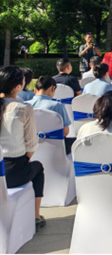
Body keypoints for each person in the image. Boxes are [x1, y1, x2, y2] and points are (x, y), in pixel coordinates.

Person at [0, 66, 46, 229]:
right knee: (38, 169)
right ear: (18, 87)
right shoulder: (23, 109)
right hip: (13, 171)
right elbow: (31, 145)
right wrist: (25, 159)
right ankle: (35, 216)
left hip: (6, 168)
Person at [26, 76, 75, 155]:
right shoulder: (57, 106)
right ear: (53, 88)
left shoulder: (25, 105)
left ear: (35, 90)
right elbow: (65, 132)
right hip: (54, 150)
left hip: (29, 149)